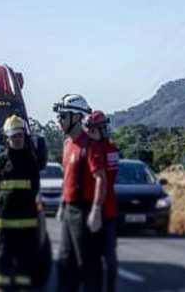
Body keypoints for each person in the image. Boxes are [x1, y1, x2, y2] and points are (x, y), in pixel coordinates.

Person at [53, 93, 106, 291]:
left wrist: (96, 210)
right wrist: (62, 204)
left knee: (88, 264)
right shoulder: (67, 144)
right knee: (66, 262)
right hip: (70, 209)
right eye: (59, 116)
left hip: (85, 210)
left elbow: (101, 178)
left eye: (63, 116)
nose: (59, 120)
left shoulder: (90, 144)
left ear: (76, 117)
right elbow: (67, 177)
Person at [0, 115, 41, 291]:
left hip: (27, 222)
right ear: (7, 139)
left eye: (20, 135)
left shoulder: (30, 161)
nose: (18, 139)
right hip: (5, 222)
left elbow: (34, 187)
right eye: (14, 136)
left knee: (25, 261)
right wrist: (2, 204)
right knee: (3, 259)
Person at [83, 110, 120, 292]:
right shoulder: (86, 149)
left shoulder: (111, 149)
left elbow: (108, 178)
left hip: (107, 211)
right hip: (87, 209)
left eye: (102, 127)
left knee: (110, 259)